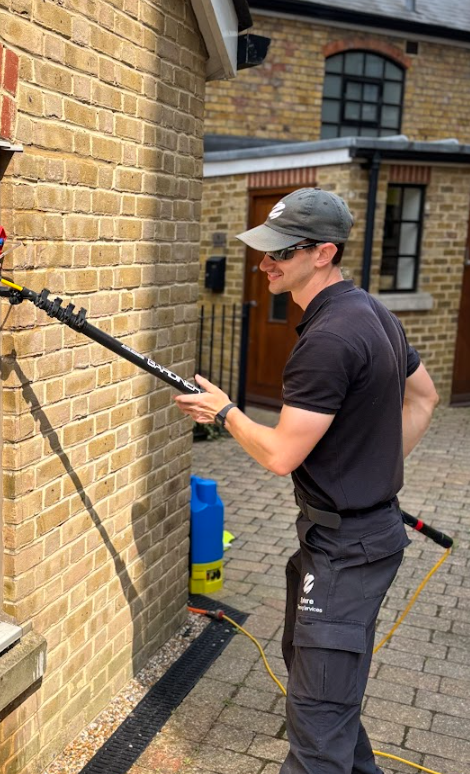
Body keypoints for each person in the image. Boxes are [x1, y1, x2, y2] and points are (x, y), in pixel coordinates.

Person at [175, 188, 439, 774]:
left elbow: (280, 456)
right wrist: (372, 464)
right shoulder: (374, 313)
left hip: (348, 549)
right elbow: (425, 395)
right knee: (324, 691)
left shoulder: (327, 340)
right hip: (353, 538)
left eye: (279, 254)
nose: (263, 263)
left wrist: (225, 413)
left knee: (316, 721)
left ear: (323, 252)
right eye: (263, 252)